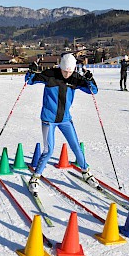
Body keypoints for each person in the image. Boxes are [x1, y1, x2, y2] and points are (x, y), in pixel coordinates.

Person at [25, 53, 99, 194]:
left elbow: (93, 91)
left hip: (65, 119)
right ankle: (35, 178)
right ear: (61, 67)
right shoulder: (50, 75)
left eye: (70, 72)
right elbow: (29, 81)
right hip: (49, 119)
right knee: (49, 150)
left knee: (76, 146)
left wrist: (90, 80)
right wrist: (31, 70)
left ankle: (85, 172)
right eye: (65, 71)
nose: (67, 74)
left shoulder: (75, 78)